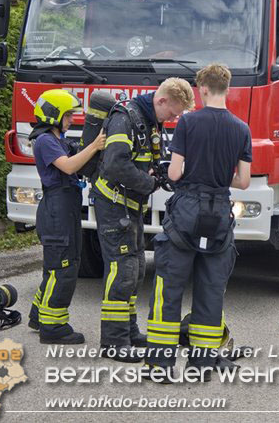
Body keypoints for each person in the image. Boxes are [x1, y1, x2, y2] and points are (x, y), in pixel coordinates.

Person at [144, 64, 251, 383]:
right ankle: (202, 362)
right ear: (227, 88)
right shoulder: (240, 128)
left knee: (170, 285)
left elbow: (174, 173)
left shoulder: (189, 122)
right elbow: (243, 181)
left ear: (202, 89)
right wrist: (220, 177)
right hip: (219, 212)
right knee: (211, 288)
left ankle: (161, 365)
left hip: (187, 210)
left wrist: (193, 173)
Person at [94, 77, 194, 362]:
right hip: (114, 204)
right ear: (161, 100)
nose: (173, 119)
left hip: (130, 205)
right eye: (173, 113)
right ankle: (113, 341)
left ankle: (129, 331)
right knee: (122, 269)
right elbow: (114, 164)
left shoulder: (149, 120)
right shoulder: (125, 118)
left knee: (136, 267)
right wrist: (147, 183)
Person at [28, 89, 105, 344]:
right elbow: (70, 166)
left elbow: (80, 158)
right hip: (56, 211)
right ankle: (53, 327)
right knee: (63, 268)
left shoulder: (58, 139)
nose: (72, 119)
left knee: (56, 267)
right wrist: (95, 145)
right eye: (68, 115)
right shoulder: (45, 141)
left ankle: (39, 316)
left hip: (64, 209)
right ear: (54, 114)